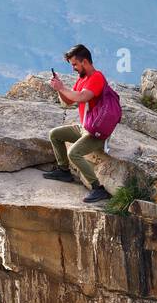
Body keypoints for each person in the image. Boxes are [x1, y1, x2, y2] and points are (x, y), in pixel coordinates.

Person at [43, 45, 111, 204]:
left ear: (85, 61)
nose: (73, 68)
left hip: (96, 131)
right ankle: (63, 171)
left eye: (75, 64)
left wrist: (63, 87)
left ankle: (98, 188)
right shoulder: (82, 78)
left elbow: (82, 97)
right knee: (55, 134)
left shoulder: (97, 77)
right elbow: (68, 102)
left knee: (74, 153)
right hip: (85, 127)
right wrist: (59, 88)